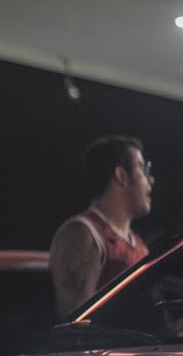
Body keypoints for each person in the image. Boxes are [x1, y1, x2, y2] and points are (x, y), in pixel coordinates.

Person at [49, 135, 154, 320]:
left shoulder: (139, 246)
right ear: (121, 176)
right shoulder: (83, 234)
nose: (150, 179)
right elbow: (74, 324)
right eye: (142, 168)